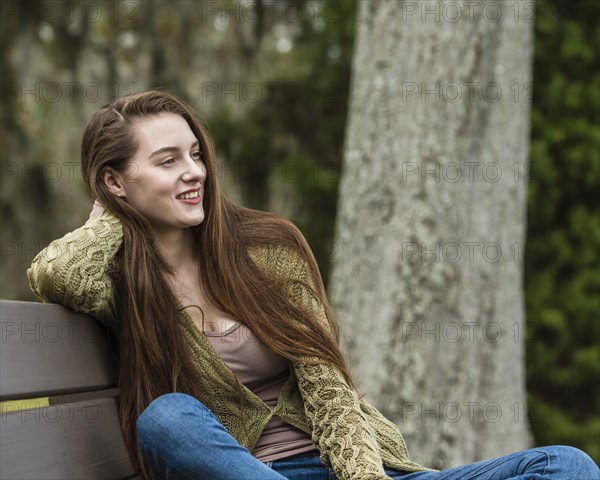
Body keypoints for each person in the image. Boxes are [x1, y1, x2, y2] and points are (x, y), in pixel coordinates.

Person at [27, 90, 599, 480]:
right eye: (168, 160)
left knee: (566, 466)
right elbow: (55, 272)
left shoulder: (268, 247)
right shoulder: (118, 279)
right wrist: (111, 206)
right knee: (166, 416)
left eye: (196, 155)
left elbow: (327, 383)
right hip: (245, 470)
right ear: (115, 181)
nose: (194, 172)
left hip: (348, 465)